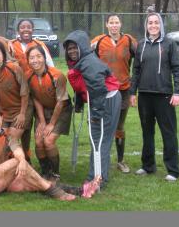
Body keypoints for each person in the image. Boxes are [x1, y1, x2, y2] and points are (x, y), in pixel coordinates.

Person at [0, 106, 99, 200]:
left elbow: (18, 151)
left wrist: (22, 162)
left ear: (2, 118)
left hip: (3, 179)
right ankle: (56, 193)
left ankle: (81, 191)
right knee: (16, 162)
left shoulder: (8, 135)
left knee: (31, 182)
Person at [130, 12, 179, 182]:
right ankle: (148, 166)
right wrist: (132, 92)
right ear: (146, 26)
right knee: (147, 132)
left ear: (160, 24)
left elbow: (177, 69)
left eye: (156, 22)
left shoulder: (169, 44)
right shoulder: (141, 44)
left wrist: (177, 92)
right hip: (145, 96)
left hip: (164, 95)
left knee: (168, 133)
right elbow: (136, 70)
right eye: (150, 23)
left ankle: (173, 170)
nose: (153, 25)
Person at [63, 30, 121, 187]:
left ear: (83, 46)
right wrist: (80, 101)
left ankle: (96, 179)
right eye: (69, 49)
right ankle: (99, 175)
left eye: (75, 47)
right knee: (99, 139)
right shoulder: (83, 61)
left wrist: (96, 114)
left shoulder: (89, 62)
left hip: (105, 101)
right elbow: (84, 85)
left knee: (99, 140)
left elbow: (97, 88)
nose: (72, 51)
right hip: (103, 99)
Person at [91, 14, 137, 173]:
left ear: (120, 24)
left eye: (116, 22)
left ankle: (120, 160)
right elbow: (87, 59)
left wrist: (134, 89)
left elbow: (139, 61)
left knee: (119, 125)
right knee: (102, 124)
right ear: (107, 25)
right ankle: (101, 158)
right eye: (111, 22)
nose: (114, 25)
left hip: (123, 89)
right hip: (103, 91)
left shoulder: (129, 41)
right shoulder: (98, 41)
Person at [9, 18, 54, 163]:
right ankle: (25, 155)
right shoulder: (11, 45)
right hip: (19, 93)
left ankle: (46, 160)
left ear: (33, 29)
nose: (26, 29)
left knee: (42, 129)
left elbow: (51, 66)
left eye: (29, 27)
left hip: (39, 92)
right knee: (25, 126)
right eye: (22, 27)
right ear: (18, 30)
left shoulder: (39, 45)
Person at [27, 45, 72, 180]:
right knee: (39, 141)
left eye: (38, 56)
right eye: (32, 57)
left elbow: (60, 102)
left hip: (61, 110)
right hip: (44, 110)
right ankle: (45, 172)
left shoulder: (57, 75)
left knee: (49, 141)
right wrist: (41, 121)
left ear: (44, 58)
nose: (35, 60)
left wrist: (51, 124)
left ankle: (55, 173)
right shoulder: (28, 76)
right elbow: (36, 98)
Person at [0, 40, 30, 146]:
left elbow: (24, 92)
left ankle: (23, 159)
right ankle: (8, 161)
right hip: (2, 111)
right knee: (0, 138)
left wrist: (22, 114)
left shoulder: (14, 69)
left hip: (21, 109)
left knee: (12, 138)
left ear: (3, 55)